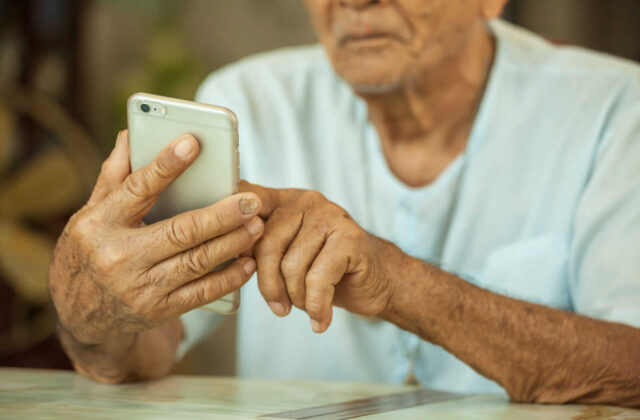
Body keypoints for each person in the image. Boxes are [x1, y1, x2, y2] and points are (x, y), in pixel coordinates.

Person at [49, 0, 640, 407]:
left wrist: (398, 283)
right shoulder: (248, 101)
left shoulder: (614, 108)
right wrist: (94, 309)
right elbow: (149, 346)